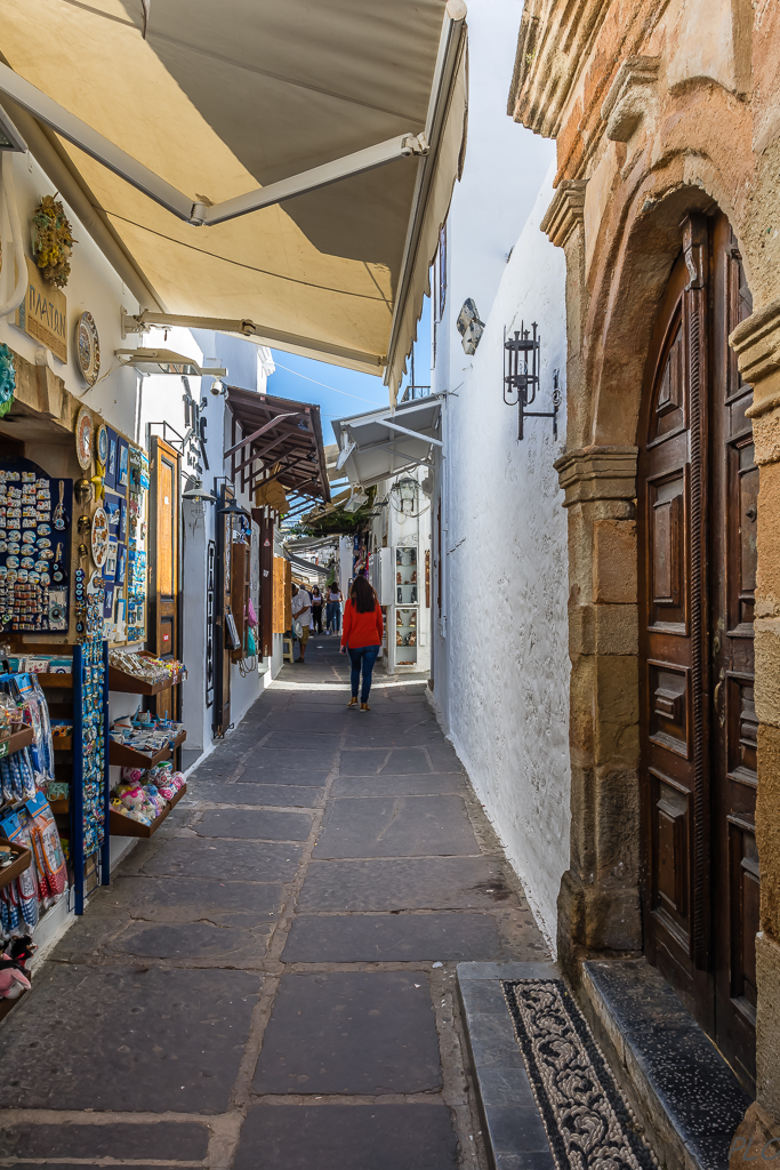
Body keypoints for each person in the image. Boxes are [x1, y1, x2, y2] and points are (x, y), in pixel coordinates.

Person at [340, 574, 383, 711]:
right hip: (372, 642)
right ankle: (364, 703)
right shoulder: (374, 603)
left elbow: (346, 626)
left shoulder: (350, 604)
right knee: (367, 674)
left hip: (355, 643)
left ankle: (354, 698)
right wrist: (379, 639)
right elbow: (379, 624)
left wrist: (343, 643)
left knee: (355, 669)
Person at [291, 583, 311, 663]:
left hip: (303, 620)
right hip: (293, 620)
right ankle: (291, 655)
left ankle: (302, 656)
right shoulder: (290, 595)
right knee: (292, 637)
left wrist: (297, 614)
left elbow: (306, 606)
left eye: (292, 593)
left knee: (303, 639)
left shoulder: (304, 594)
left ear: (295, 589)